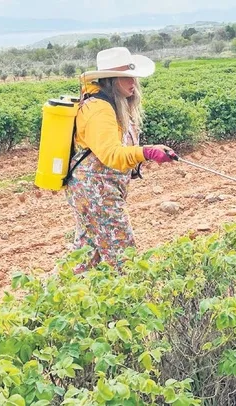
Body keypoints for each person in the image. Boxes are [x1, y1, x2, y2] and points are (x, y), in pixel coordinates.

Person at [65, 47, 175, 273]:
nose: (133, 82)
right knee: (122, 252)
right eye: (126, 77)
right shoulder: (100, 109)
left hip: (98, 188)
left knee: (87, 253)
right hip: (96, 189)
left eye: (133, 76)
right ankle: (132, 300)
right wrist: (147, 153)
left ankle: (53, 300)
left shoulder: (114, 105)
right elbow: (111, 155)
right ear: (111, 80)